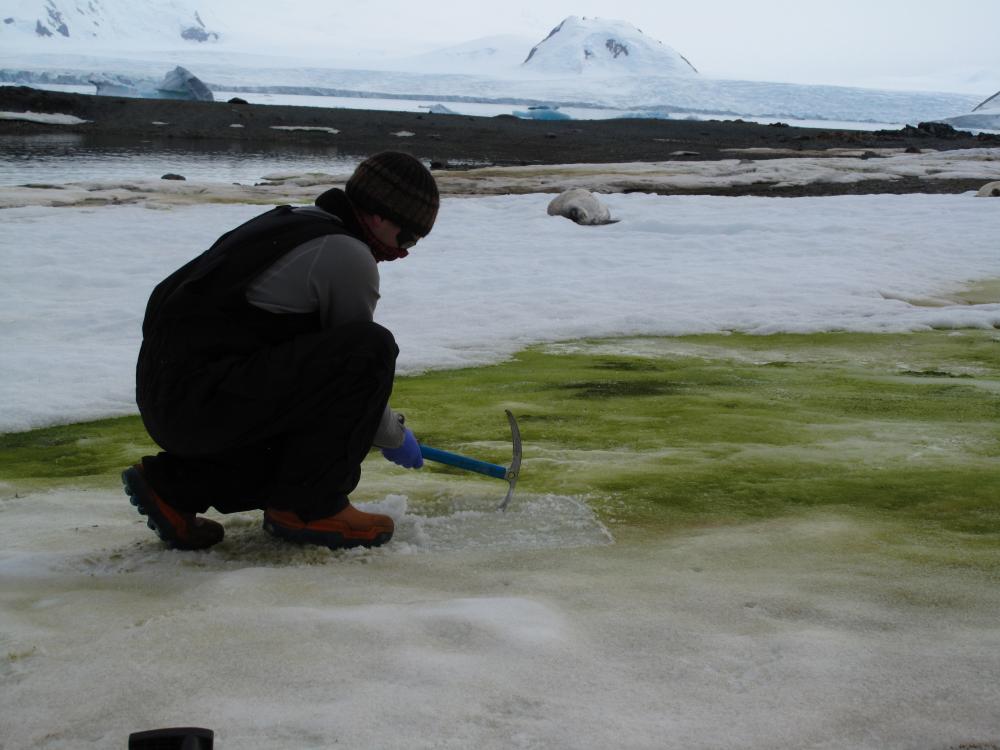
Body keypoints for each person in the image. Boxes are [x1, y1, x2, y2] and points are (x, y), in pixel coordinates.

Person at [121, 151, 439, 551]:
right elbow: (357, 371)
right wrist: (393, 434)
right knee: (371, 348)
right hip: (200, 399)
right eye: (406, 237)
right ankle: (311, 506)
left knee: (303, 430)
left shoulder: (295, 223)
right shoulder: (346, 255)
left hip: (175, 396)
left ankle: (173, 488)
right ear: (378, 215)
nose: (404, 252)